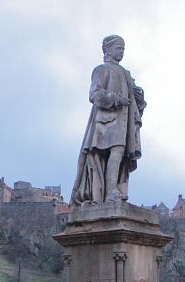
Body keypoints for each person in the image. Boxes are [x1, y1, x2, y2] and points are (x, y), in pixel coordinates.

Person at [70, 35, 146, 205]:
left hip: (123, 122)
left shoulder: (125, 73)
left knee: (120, 154)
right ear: (108, 50)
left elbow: (134, 98)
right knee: (113, 152)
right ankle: (110, 191)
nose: (122, 51)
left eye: (123, 49)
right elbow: (94, 94)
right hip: (105, 122)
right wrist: (115, 99)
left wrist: (138, 96)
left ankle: (114, 190)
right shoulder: (101, 70)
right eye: (118, 48)